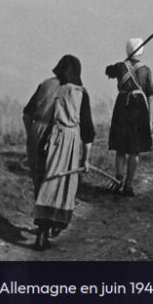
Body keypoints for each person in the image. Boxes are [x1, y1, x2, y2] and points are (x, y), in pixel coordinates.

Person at [23, 55, 95, 251]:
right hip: (63, 141)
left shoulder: (45, 85)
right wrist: (86, 159)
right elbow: (88, 132)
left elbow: (27, 114)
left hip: (38, 138)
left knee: (41, 184)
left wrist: (32, 136)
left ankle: (44, 228)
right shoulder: (80, 93)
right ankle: (50, 228)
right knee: (57, 186)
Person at [104, 38, 153, 197]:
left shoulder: (120, 67)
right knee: (134, 149)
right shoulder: (146, 70)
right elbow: (150, 95)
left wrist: (123, 64)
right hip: (139, 107)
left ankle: (118, 180)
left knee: (121, 147)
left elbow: (108, 71)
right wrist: (150, 119)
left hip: (122, 106)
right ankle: (129, 185)